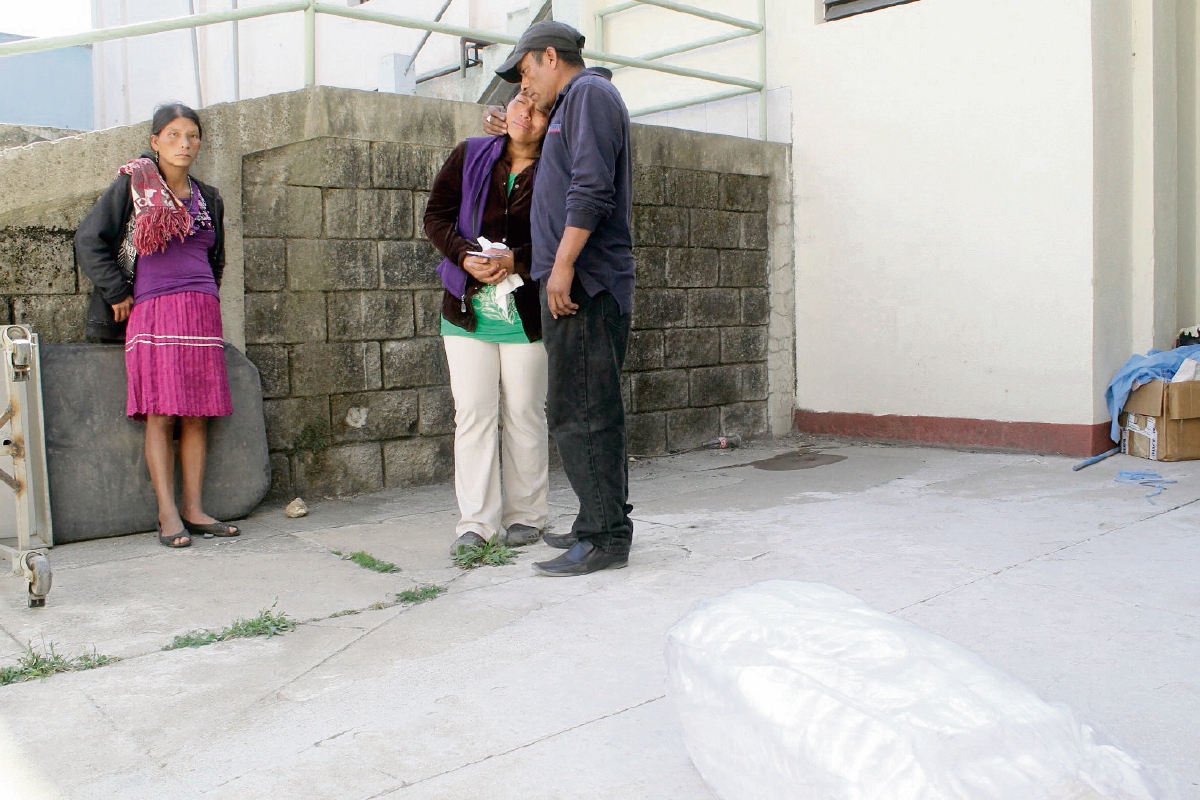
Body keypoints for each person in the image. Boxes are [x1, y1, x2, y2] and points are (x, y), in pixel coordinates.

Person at [495, 22, 637, 577]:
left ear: (550, 57)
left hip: (586, 285)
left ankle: (604, 537)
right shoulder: (571, 105)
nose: (523, 85)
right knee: (588, 406)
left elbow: (592, 188)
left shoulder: (589, 95)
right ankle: (599, 521)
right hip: (580, 282)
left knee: (581, 411)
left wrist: (562, 266)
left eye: (525, 71)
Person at [75, 103, 239, 548]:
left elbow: (215, 258)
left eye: (192, 136)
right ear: (155, 142)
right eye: (173, 135)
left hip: (201, 314)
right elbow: (89, 239)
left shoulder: (209, 198)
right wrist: (116, 292)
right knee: (161, 414)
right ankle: (168, 515)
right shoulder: (134, 185)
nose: (184, 144)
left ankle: (194, 509)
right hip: (154, 311)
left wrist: (206, 295)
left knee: (198, 415)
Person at [425, 89, 551, 556]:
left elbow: (563, 237)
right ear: (506, 107)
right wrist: (463, 256)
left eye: (539, 110)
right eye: (520, 102)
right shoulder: (471, 154)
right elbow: (436, 217)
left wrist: (517, 260)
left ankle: (526, 516)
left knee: (525, 412)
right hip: (467, 309)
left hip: (527, 312)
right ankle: (476, 524)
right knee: (473, 415)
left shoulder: (556, 167)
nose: (526, 115)